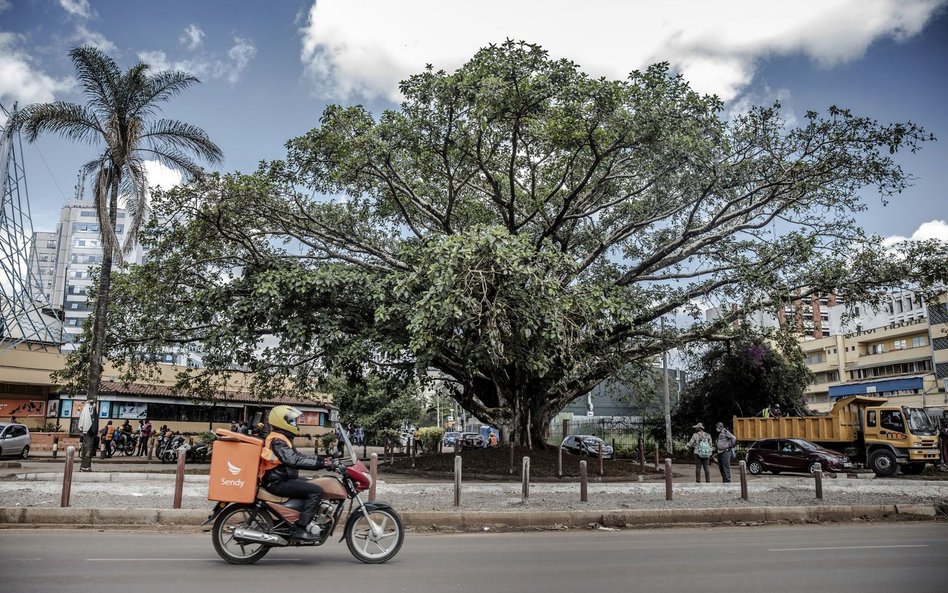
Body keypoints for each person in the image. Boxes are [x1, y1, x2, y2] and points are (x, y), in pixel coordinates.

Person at [259, 405, 335, 542]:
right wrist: (321, 465)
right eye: (292, 421)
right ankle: (300, 529)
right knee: (316, 491)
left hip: (282, 478)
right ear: (282, 421)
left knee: (312, 484)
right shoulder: (277, 440)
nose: (295, 423)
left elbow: (299, 455)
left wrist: (322, 460)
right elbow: (294, 460)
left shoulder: (282, 438)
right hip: (277, 482)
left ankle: (299, 520)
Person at [77, 401, 97, 471]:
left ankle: (85, 466)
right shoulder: (87, 410)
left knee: (83, 446)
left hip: (87, 433)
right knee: (84, 447)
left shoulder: (87, 410)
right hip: (88, 433)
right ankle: (85, 466)